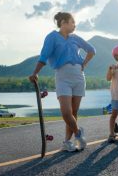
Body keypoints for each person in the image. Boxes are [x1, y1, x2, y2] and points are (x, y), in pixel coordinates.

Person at [29, 12, 96, 151]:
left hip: (78, 76)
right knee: (66, 112)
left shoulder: (75, 38)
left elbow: (91, 50)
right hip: (63, 77)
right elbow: (44, 56)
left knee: (74, 112)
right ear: (64, 22)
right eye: (72, 22)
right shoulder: (52, 37)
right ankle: (78, 134)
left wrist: (84, 63)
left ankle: (66, 142)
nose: (74, 25)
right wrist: (35, 72)